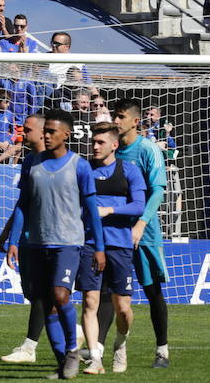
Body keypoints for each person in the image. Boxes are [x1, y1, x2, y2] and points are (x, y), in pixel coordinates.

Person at [6, 109, 105, 380]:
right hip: (37, 244)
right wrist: (14, 241)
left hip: (69, 244)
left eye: (51, 131)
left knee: (61, 295)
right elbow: (23, 205)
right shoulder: (32, 163)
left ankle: (73, 348)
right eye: (45, 130)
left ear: (66, 135)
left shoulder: (80, 165)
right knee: (46, 303)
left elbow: (92, 209)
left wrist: (99, 248)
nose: (46, 135)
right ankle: (63, 363)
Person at [94, 99, 169, 369]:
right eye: (115, 115)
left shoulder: (148, 150)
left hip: (144, 232)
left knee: (152, 290)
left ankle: (162, 351)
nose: (116, 120)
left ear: (135, 121)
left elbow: (158, 190)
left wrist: (141, 224)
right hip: (114, 233)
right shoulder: (111, 152)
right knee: (104, 293)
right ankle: (98, 351)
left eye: (121, 116)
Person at [75, 122, 146, 375]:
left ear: (114, 145)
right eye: (93, 142)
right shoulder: (83, 170)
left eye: (100, 142)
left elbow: (139, 206)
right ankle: (95, 358)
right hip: (90, 244)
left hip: (120, 246)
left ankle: (120, 343)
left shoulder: (129, 171)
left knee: (123, 310)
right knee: (90, 302)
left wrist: (109, 210)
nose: (94, 146)